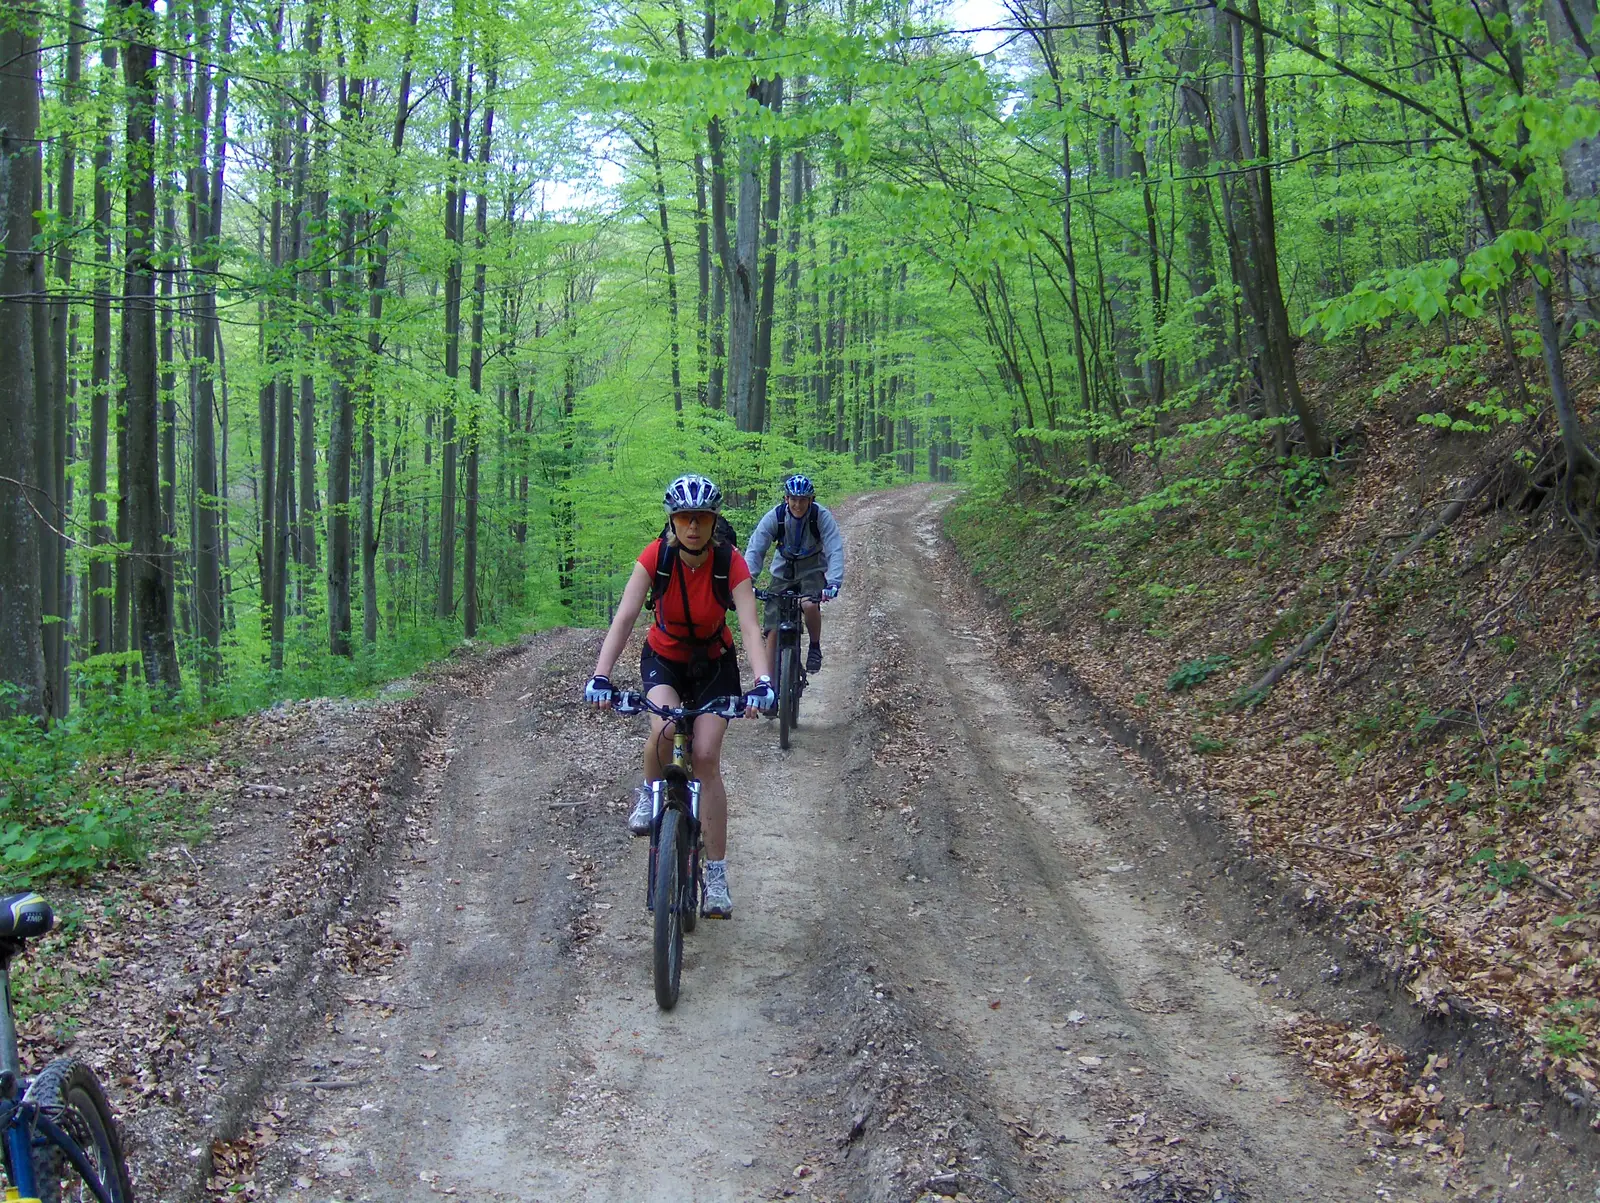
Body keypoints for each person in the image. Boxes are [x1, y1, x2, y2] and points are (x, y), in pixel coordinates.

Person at [583, 473, 774, 919]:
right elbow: (626, 615)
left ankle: (718, 874)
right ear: (672, 521)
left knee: (705, 757)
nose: (693, 527)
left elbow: (749, 625)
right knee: (664, 725)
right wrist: (600, 676)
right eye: (685, 518)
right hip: (665, 658)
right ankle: (651, 793)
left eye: (702, 518)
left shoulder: (731, 563)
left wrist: (763, 683)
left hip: (714, 664)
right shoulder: (656, 557)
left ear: (713, 522)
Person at [743, 474, 845, 674]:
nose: (798, 505)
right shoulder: (776, 516)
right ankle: (770, 684)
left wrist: (833, 582)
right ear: (786, 499)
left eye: (803, 500)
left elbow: (834, 549)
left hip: (812, 569)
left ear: (810, 500)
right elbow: (756, 548)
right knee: (772, 627)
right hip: (783, 570)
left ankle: (814, 647)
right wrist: (747, 581)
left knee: (809, 603)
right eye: (794, 499)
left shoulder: (821, 517)